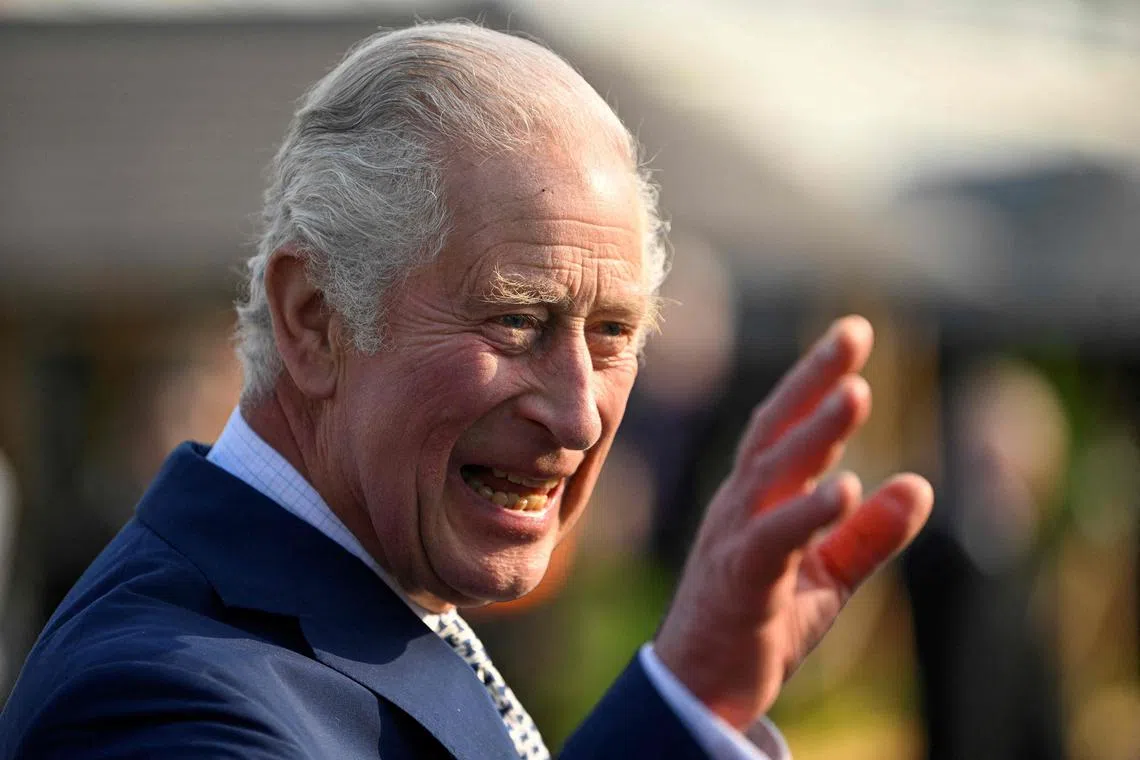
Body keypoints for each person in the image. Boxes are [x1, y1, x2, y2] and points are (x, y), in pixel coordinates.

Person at [0, 22, 932, 759]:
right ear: (315, 318)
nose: (577, 414)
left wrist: (690, 694)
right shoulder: (167, 703)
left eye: (613, 333)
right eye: (516, 322)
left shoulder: (353, 607)